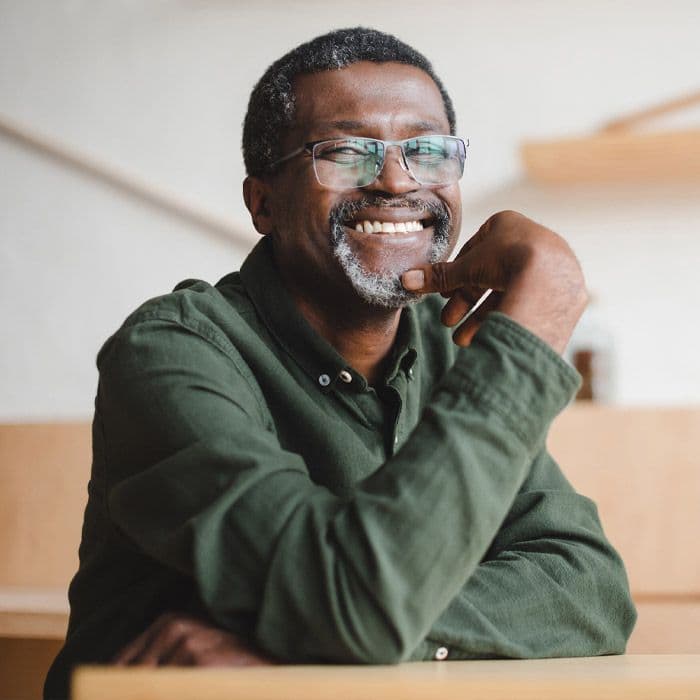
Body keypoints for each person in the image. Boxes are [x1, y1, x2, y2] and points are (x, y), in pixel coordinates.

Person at [45, 27, 636, 698]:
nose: (395, 180)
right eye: (347, 151)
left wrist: (328, 641)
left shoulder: (449, 348)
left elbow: (590, 591)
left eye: (427, 150)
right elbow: (353, 605)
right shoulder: (172, 351)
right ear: (262, 203)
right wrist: (532, 326)